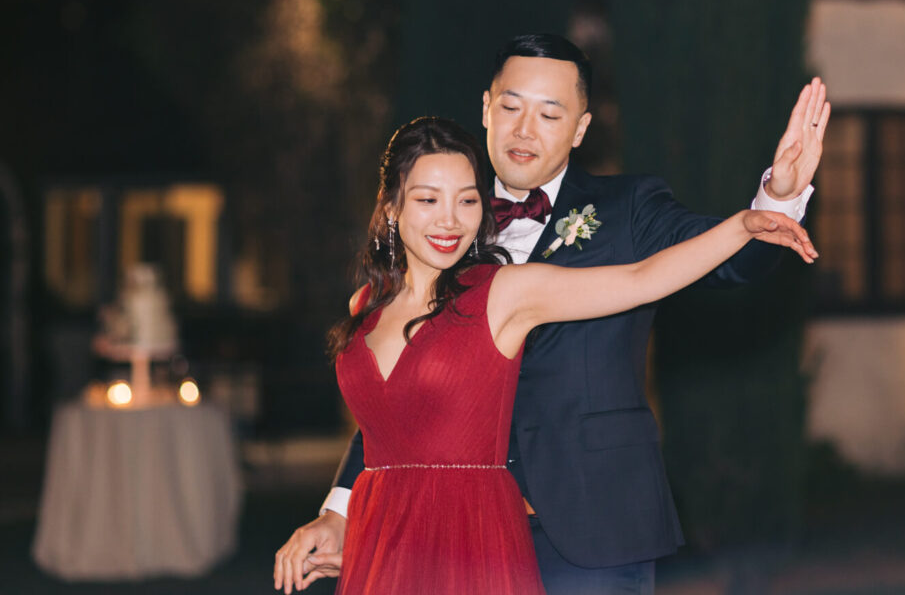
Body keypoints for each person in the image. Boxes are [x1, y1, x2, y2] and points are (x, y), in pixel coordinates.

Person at [274, 34, 829, 595]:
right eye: (511, 107)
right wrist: (340, 509)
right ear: (487, 108)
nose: (524, 129)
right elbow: (395, 401)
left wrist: (775, 201)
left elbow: (729, 265)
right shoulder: (444, 217)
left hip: (590, 526)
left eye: (549, 113)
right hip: (442, 538)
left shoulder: (629, 208)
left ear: (581, 128)